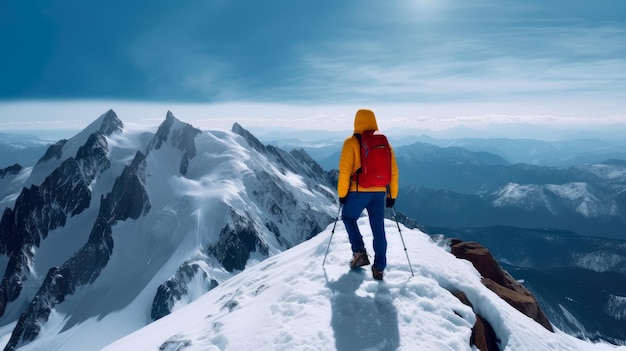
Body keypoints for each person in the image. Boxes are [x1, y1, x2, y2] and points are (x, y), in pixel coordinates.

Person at [337, 109, 399, 280]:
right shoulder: (385, 143)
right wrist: (392, 195)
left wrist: (342, 194)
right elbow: (394, 172)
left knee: (349, 217)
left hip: (358, 191)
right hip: (379, 192)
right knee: (378, 228)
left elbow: (344, 172)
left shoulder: (351, 142)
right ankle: (379, 268)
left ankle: (359, 252)